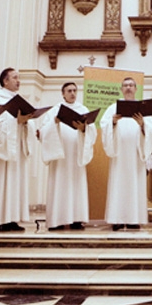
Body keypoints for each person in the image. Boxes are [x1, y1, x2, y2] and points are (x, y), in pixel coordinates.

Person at [100, 77, 152, 231]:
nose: (128, 88)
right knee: (118, 184)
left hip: (135, 155)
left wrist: (143, 124)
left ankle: (134, 219)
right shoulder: (112, 108)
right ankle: (117, 219)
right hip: (119, 155)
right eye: (125, 85)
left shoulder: (143, 110)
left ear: (136, 88)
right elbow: (104, 127)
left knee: (135, 185)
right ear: (121, 89)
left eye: (131, 85)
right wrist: (112, 123)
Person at [39, 82, 96, 231]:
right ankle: (57, 220)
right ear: (63, 93)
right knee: (59, 185)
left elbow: (92, 132)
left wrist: (84, 129)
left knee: (76, 186)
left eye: (74, 90)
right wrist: (55, 123)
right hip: (60, 158)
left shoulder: (83, 109)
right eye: (69, 91)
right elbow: (43, 131)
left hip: (76, 156)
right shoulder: (54, 111)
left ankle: (76, 219)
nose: (72, 93)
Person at [0, 68, 35, 232]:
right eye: (14, 78)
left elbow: (27, 123)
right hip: (1, 153)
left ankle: (11, 219)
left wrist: (26, 122)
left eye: (18, 78)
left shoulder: (19, 100)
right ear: (5, 81)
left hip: (16, 150)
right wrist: (16, 122)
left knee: (15, 183)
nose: (18, 81)